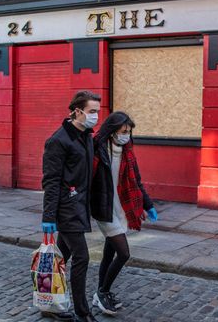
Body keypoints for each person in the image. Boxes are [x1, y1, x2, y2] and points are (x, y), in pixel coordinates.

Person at [90, 112, 158, 316]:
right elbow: (86, 178)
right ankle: (102, 292)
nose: (126, 135)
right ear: (112, 131)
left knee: (109, 253)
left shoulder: (127, 151)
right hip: (103, 208)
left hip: (121, 209)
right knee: (124, 253)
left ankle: (101, 293)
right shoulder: (97, 149)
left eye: (129, 132)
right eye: (123, 131)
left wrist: (148, 205)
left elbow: (136, 181)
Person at [41, 90, 101, 322]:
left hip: (79, 205)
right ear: (77, 111)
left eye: (97, 111)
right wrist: (48, 217)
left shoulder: (85, 135)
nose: (95, 116)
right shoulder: (58, 141)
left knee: (61, 258)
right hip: (66, 208)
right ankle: (82, 312)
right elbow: (51, 181)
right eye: (92, 111)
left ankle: (49, 304)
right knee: (82, 257)